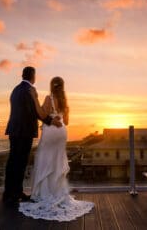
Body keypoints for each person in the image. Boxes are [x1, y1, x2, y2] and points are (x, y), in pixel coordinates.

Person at [18, 76, 94, 221]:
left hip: (51, 131)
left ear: (52, 86)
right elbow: (66, 121)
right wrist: (61, 114)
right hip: (61, 132)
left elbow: (41, 114)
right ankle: (57, 192)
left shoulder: (49, 98)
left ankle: (45, 193)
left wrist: (34, 98)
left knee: (46, 162)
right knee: (56, 163)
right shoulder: (65, 103)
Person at [3, 66, 62, 206]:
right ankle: (15, 194)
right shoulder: (30, 91)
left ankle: (9, 193)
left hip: (14, 130)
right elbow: (35, 112)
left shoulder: (16, 90)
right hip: (24, 131)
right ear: (33, 76)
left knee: (12, 162)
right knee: (21, 162)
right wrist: (50, 121)